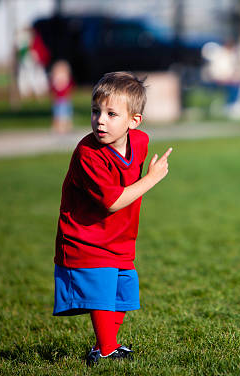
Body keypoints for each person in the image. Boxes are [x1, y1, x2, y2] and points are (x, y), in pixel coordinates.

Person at [53, 71, 172, 365]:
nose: (100, 120)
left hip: (118, 237)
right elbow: (112, 202)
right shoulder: (88, 154)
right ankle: (106, 348)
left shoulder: (140, 142)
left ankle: (104, 345)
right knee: (102, 293)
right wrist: (152, 179)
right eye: (96, 111)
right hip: (85, 237)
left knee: (122, 291)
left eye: (111, 113)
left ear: (134, 121)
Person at [49, 60, 74, 133]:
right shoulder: (55, 81)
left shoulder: (66, 80)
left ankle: (67, 126)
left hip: (65, 100)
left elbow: (69, 89)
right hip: (57, 100)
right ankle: (57, 127)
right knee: (57, 114)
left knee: (66, 113)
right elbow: (53, 90)